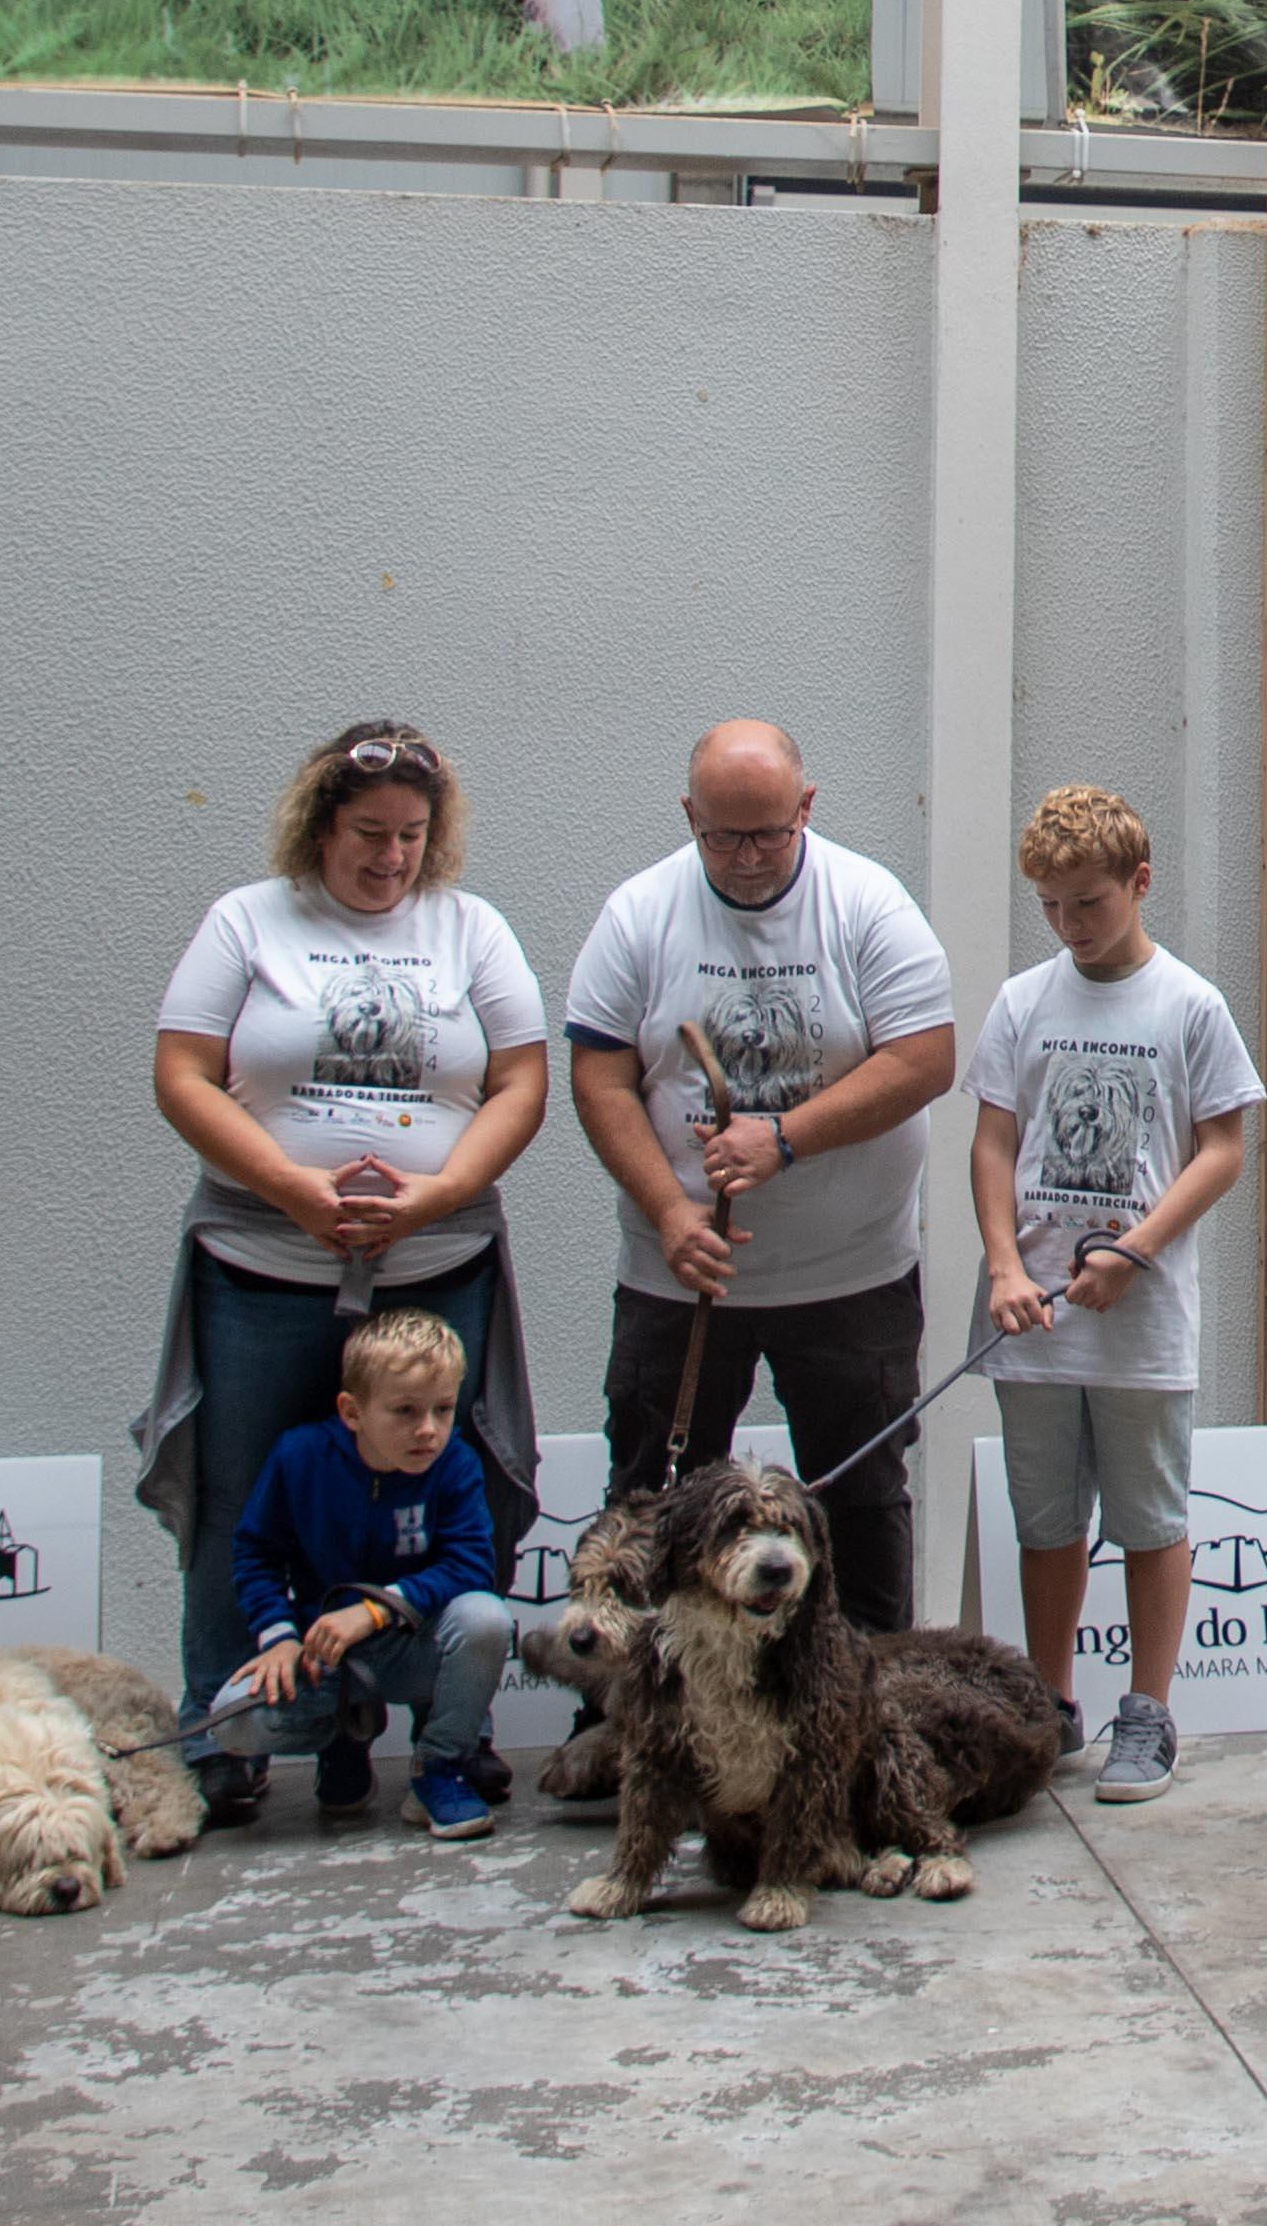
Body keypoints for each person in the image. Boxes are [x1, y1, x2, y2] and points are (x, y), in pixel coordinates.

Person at [141, 721, 548, 1827]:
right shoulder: (248, 919)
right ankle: (225, 1732)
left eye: (413, 835)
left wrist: (437, 1192)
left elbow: (520, 1079)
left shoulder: (470, 928)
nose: (391, 857)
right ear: (320, 824)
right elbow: (182, 1073)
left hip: (435, 1260)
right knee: (240, 1499)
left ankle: (448, 1736)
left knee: (443, 1480)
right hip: (265, 1262)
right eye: (369, 833)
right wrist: (289, 1188)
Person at [562, 720, 958, 1649]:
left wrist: (785, 1138)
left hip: (852, 1271)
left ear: (806, 809)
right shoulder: (640, 913)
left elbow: (925, 1058)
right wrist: (669, 1208)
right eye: (722, 837)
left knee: (857, 1491)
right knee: (660, 1495)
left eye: (769, 834)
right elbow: (599, 1074)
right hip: (684, 1275)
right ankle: (644, 1707)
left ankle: (868, 1692)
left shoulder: (867, 904)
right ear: (689, 817)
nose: (745, 859)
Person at [968, 785, 1260, 1805]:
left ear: (1139, 883)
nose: (1068, 924)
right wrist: (1006, 1264)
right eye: (1049, 905)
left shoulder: (1189, 1004)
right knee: (1047, 1516)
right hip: (1034, 1317)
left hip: (1141, 1320)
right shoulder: (1022, 1001)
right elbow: (995, 1138)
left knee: (1150, 1513)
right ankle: (1049, 1701)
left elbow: (1221, 1148)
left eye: (1087, 902)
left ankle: (1150, 1706)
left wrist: (1135, 1248)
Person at [210, 1309, 515, 1835]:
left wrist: (376, 1611)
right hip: (321, 1656)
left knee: (486, 1620)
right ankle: (342, 1741)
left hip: (409, 1645)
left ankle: (440, 1768)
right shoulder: (300, 1457)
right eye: (405, 1411)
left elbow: (471, 1565)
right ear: (352, 1412)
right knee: (232, 1719)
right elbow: (255, 1553)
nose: (429, 1430)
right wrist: (279, 1637)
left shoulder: (455, 1463)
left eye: (443, 1410)